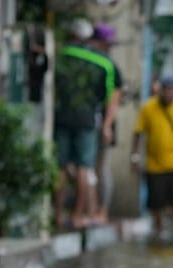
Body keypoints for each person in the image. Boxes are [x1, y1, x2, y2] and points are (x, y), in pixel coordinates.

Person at [53, 19, 119, 229]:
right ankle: (77, 216)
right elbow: (112, 97)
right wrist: (107, 125)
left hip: (61, 116)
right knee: (84, 167)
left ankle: (56, 215)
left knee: (60, 166)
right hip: (87, 120)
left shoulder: (62, 54)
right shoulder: (105, 63)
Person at [131, 75, 173, 243]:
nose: (168, 94)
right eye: (166, 90)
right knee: (156, 202)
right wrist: (135, 157)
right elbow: (138, 133)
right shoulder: (148, 108)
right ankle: (159, 229)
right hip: (154, 164)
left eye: (172, 90)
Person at [88, 23, 124, 225]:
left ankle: (102, 210)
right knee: (87, 167)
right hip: (86, 121)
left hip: (102, 124)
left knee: (101, 168)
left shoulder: (109, 66)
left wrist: (107, 125)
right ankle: (91, 209)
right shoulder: (90, 62)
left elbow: (115, 97)